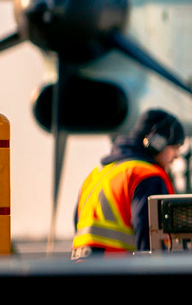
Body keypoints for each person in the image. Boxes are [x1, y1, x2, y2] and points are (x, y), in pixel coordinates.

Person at [71, 108, 185, 259]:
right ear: (158, 142)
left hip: (81, 271)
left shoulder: (96, 175)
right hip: (119, 271)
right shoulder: (146, 176)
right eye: (175, 147)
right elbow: (149, 238)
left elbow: (77, 224)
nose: (176, 156)